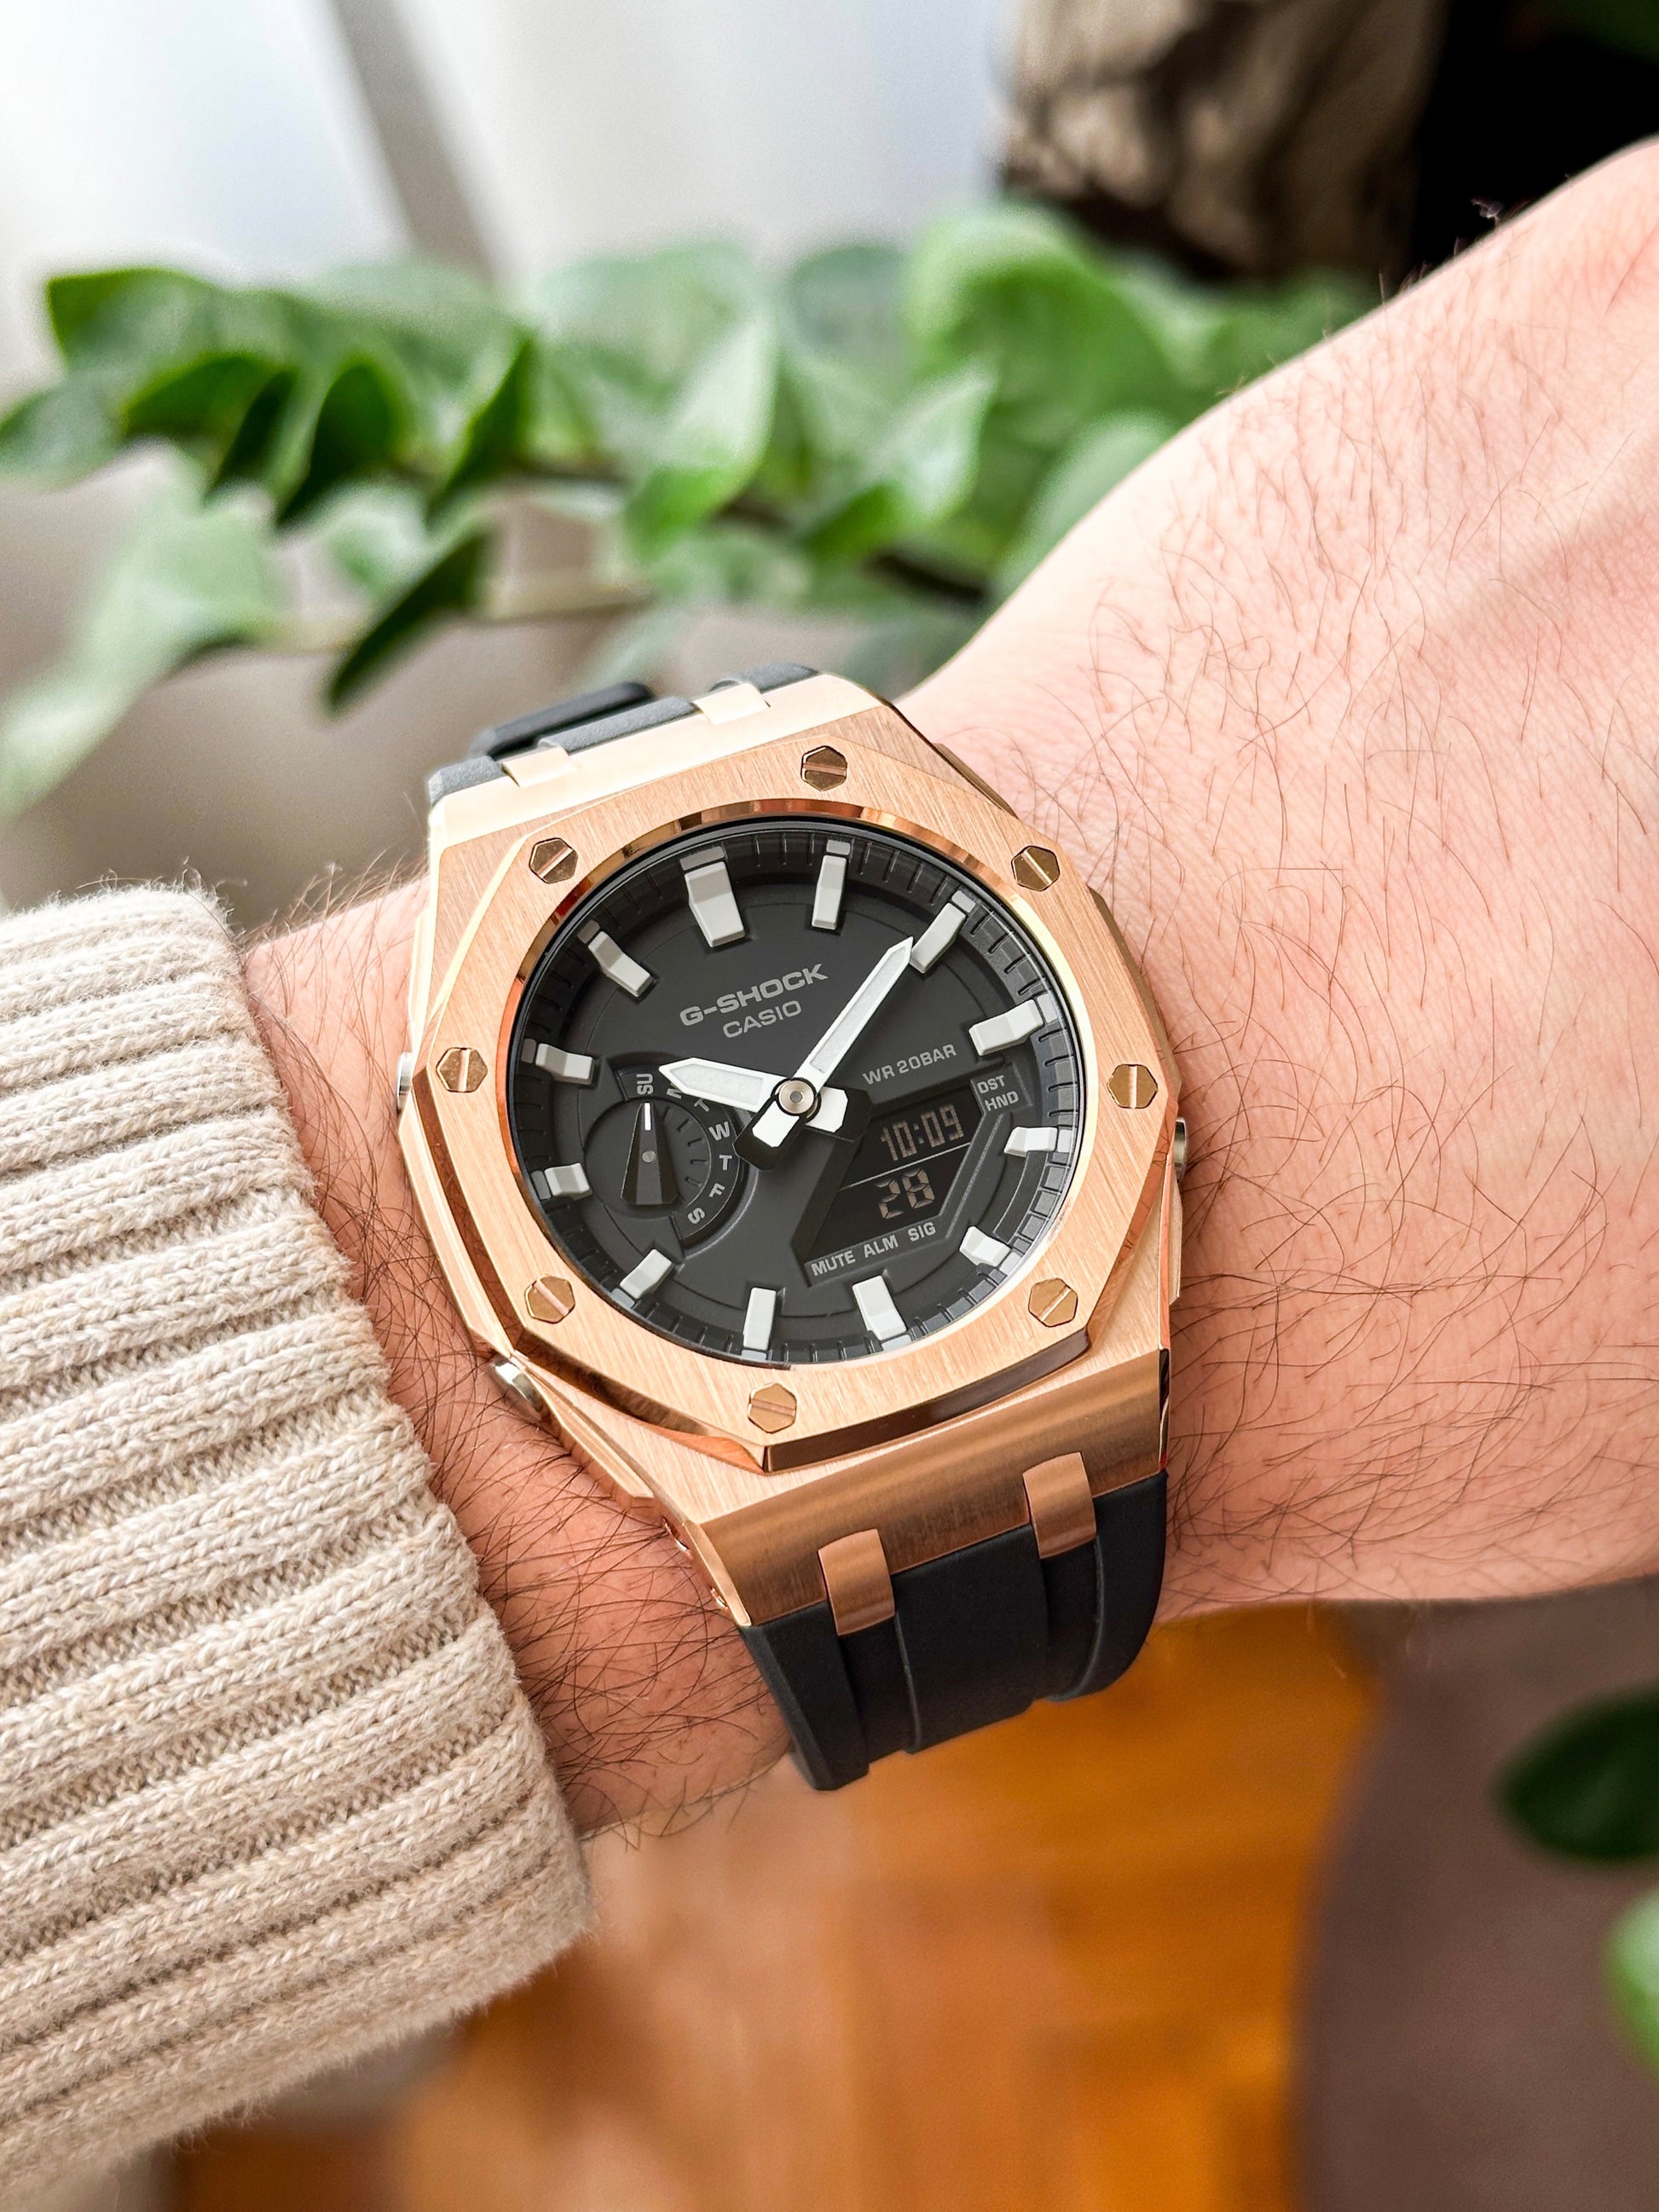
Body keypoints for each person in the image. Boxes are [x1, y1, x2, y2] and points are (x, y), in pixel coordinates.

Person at [8, 140, 1659, 2195]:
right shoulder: (513, 1250)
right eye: (735, 1116)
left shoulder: (947, 1002)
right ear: (504, 1289)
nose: (786, 1116)